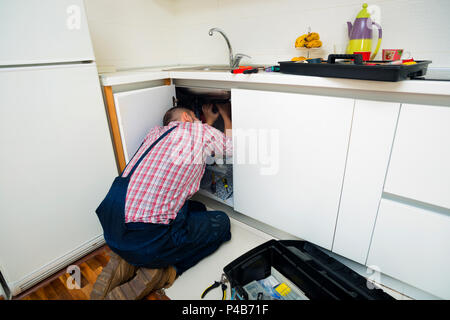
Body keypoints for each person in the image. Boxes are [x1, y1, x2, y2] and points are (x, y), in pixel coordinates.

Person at [91, 103, 233, 300]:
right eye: (194, 116)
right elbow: (230, 147)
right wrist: (225, 114)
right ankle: (164, 272)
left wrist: (204, 123)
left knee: (198, 207)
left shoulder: (155, 133)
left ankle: (122, 263)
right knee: (222, 222)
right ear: (186, 117)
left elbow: (199, 140)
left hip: (113, 225)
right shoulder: (200, 131)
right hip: (148, 236)